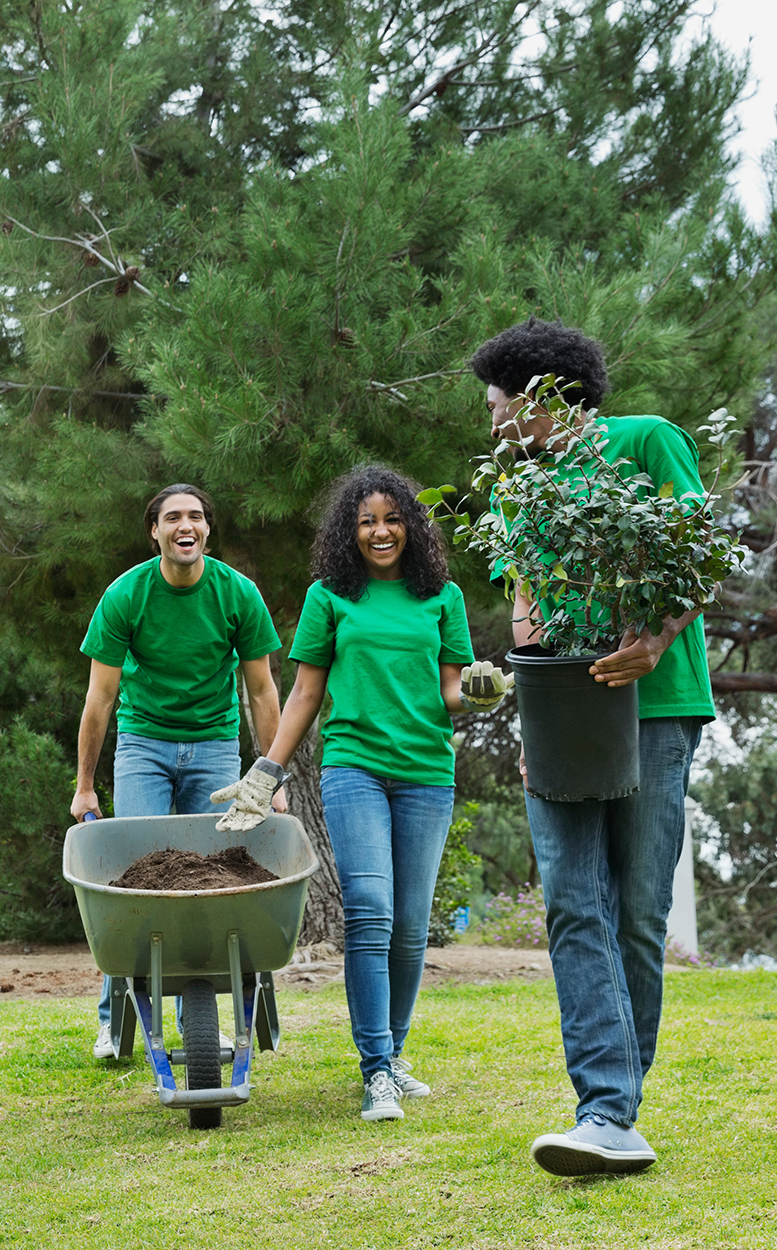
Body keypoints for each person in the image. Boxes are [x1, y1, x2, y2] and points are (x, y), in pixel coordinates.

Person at [469, 317, 715, 1177]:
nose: (493, 421)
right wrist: (539, 721)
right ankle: (608, 1111)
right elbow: (530, 607)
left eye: (498, 403)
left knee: (639, 913)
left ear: (541, 393)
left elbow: (698, 558)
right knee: (575, 902)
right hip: (566, 715)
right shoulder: (515, 487)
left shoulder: (646, 443)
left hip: (656, 707)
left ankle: (618, 1105)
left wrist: (654, 635)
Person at [211, 466, 506, 1123]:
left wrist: (478, 689)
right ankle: (375, 1069)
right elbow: (306, 693)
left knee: (408, 923)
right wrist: (268, 771)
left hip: (427, 771)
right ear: (350, 530)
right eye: (366, 521)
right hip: (355, 768)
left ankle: (395, 1055)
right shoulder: (329, 596)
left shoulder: (442, 597)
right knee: (370, 910)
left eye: (392, 519)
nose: (380, 531)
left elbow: (450, 692)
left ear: (412, 524)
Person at [70, 484, 284, 1059]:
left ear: (207, 530)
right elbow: (100, 697)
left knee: (214, 880)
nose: (183, 526)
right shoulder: (126, 595)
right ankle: (112, 1017)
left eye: (194, 517)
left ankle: (206, 1014)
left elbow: (261, 690)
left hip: (215, 744)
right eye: (172, 518)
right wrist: (85, 784)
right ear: (155, 531)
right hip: (144, 742)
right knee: (134, 874)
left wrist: (272, 776)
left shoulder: (236, 594)